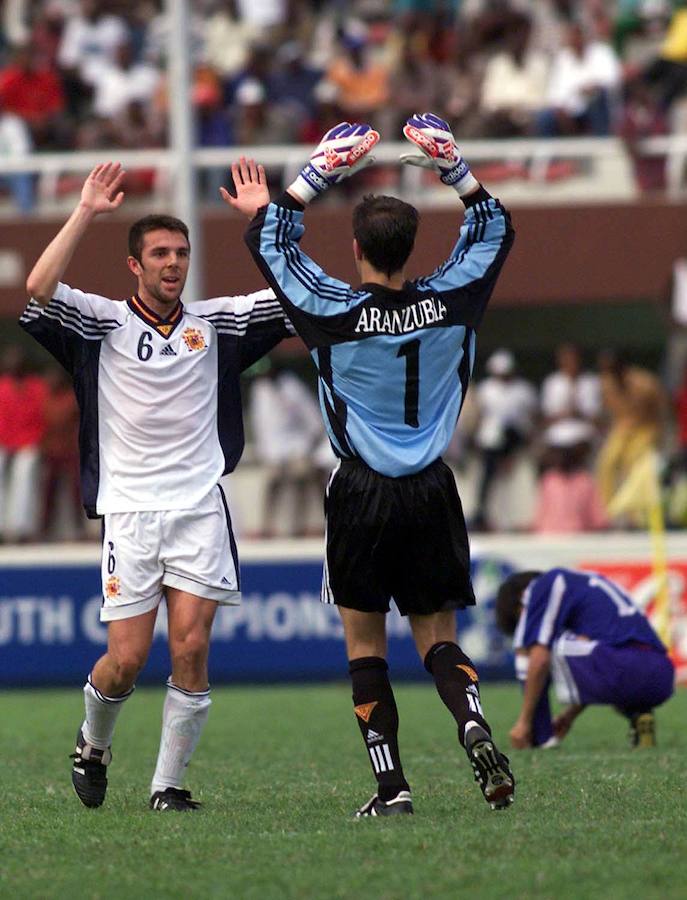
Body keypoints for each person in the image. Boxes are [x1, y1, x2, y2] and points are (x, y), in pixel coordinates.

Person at [232, 113, 516, 816]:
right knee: (437, 638)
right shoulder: (453, 299)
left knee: (365, 645)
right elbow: (493, 229)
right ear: (412, 245)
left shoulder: (331, 311)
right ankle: (472, 720)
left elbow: (266, 240)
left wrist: (316, 173)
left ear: (356, 247)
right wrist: (454, 168)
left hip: (360, 489)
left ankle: (391, 787)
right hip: (431, 486)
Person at [19, 162, 292, 812]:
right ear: (134, 265)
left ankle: (167, 786)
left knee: (191, 646)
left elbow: (298, 298)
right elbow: (36, 285)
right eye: (161, 254)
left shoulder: (216, 322)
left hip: (198, 507)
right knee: (125, 661)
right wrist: (85, 209)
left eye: (181, 253)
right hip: (130, 513)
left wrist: (264, 218)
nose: (173, 263)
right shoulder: (102, 322)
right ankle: (93, 742)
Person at [495, 568, 674, 750]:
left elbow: (540, 657)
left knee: (533, 647)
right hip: (662, 675)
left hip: (620, 666)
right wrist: (568, 716)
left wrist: (524, 721)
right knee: (586, 646)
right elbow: (598, 659)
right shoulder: (587, 583)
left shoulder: (543, 586)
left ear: (522, 600)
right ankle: (639, 715)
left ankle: (539, 736)